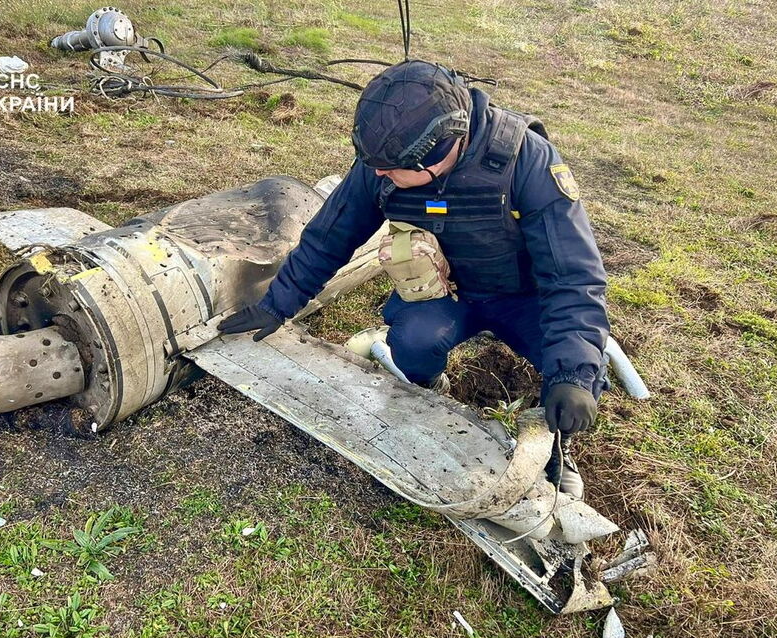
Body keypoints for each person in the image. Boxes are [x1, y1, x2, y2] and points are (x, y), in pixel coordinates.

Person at [218, 60, 610, 496]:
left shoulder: (526, 161)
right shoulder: (385, 158)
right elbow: (331, 234)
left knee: (579, 377)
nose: (379, 176)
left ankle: (555, 446)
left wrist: (572, 374)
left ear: (443, 149)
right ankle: (425, 395)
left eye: (391, 170)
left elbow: (573, 275)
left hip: (524, 295)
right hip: (445, 291)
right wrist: (277, 303)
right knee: (415, 341)